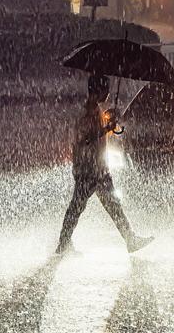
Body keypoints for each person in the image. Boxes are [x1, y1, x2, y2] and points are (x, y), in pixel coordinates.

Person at [56, 75, 154, 255]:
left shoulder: (95, 111)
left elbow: (96, 135)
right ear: (98, 91)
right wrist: (106, 129)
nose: (108, 93)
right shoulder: (87, 113)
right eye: (106, 89)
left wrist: (110, 122)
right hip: (90, 170)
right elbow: (85, 139)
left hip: (97, 169)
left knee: (106, 206)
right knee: (80, 207)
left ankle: (128, 238)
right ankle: (63, 244)